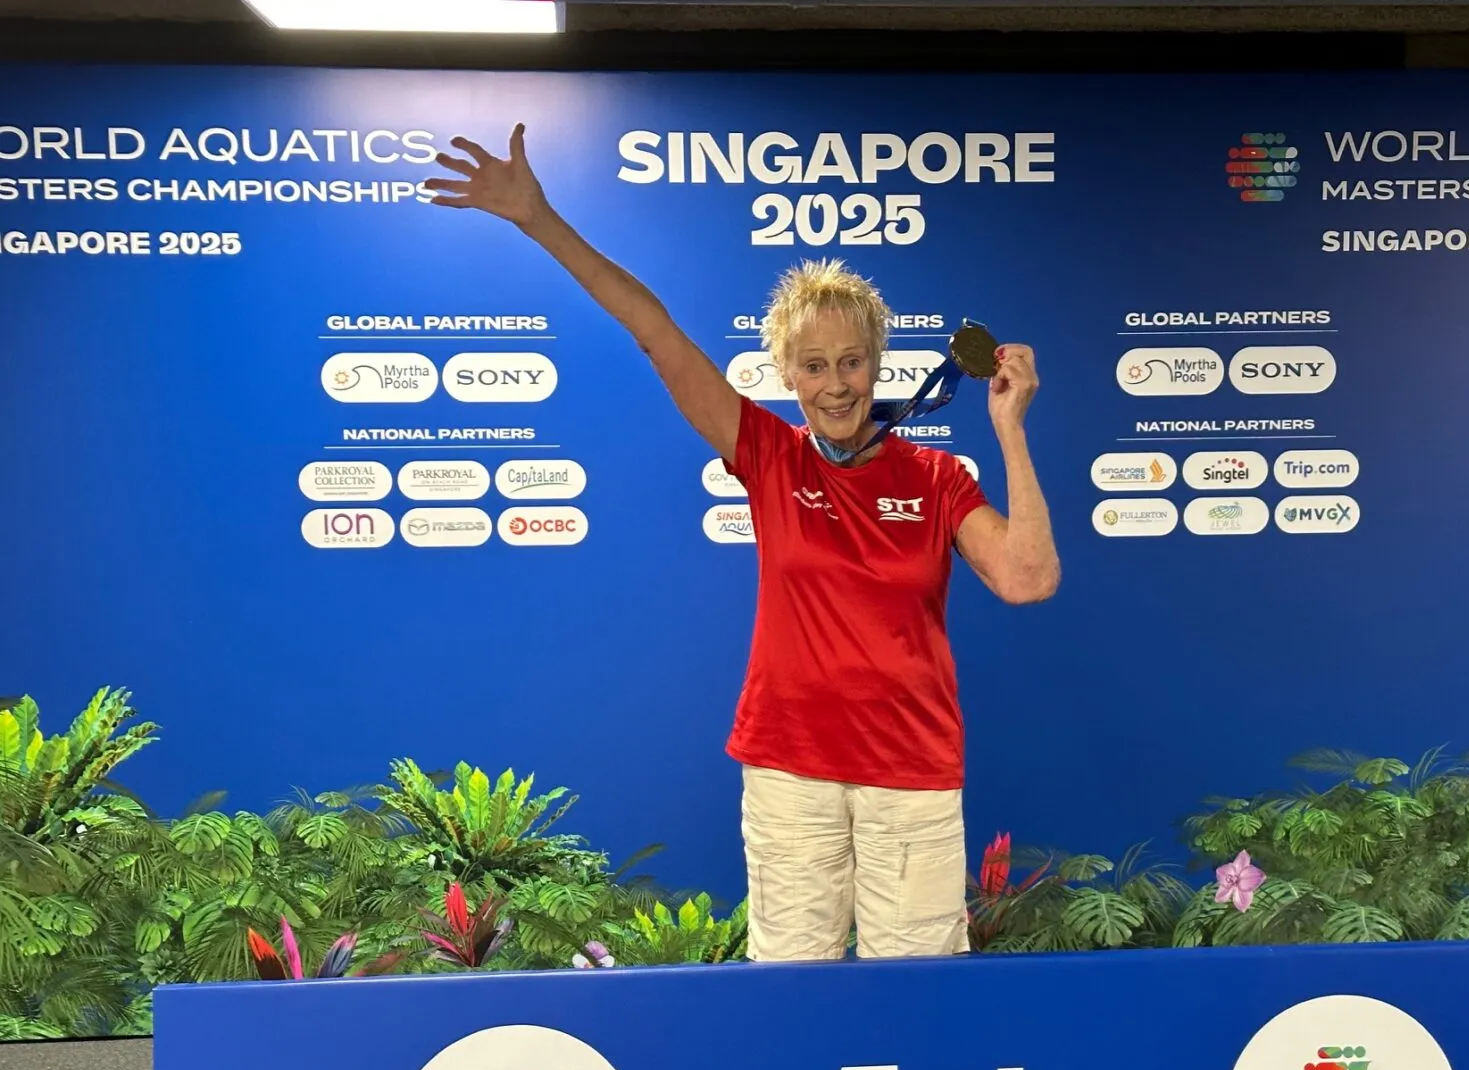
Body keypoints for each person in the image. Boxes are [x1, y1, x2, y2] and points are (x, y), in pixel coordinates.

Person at [426, 124, 1060, 962]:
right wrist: (541, 220)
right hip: (790, 768)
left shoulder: (936, 478)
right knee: (791, 988)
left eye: (851, 362)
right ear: (786, 373)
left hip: (912, 772)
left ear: (876, 363)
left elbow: (1027, 579)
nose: (835, 384)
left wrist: (1010, 430)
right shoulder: (766, 453)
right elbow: (656, 333)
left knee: (920, 993)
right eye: (813, 365)